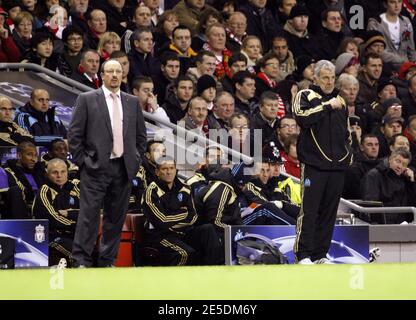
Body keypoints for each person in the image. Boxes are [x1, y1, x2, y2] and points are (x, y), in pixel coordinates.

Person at [68, 59, 147, 268]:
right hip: (95, 168)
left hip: (123, 167)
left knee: (115, 219)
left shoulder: (131, 101)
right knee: (89, 216)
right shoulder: (87, 99)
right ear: (102, 75)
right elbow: (74, 135)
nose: (114, 75)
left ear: (122, 75)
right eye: (110, 71)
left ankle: (107, 261)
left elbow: (141, 137)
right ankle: (81, 260)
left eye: (118, 71)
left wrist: (135, 159)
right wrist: (84, 162)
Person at [292, 60, 352, 264]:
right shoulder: (305, 95)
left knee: (329, 213)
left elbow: (347, 133)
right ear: (315, 77)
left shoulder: (340, 100)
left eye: (332, 78)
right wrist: (327, 106)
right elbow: (302, 118)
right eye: (325, 77)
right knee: (309, 210)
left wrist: (348, 155)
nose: (329, 81)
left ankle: (320, 254)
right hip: (314, 165)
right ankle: (303, 255)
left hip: (337, 167)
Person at [142, 156, 223, 265]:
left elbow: (193, 216)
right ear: (157, 172)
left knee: (208, 229)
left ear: (176, 170)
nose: (168, 172)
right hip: (160, 236)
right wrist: (183, 213)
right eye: (164, 169)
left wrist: (173, 219)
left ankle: (214, 271)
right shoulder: (151, 191)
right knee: (185, 253)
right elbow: (162, 221)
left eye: (171, 168)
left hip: (183, 233)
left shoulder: (185, 188)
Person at [32, 158, 80, 267]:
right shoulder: (45, 191)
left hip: (77, 234)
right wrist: (77, 224)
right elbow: (52, 218)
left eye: (63, 172)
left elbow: (90, 213)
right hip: (53, 235)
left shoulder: (75, 188)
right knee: (78, 253)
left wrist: (69, 213)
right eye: (55, 172)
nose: (59, 175)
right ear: (47, 174)